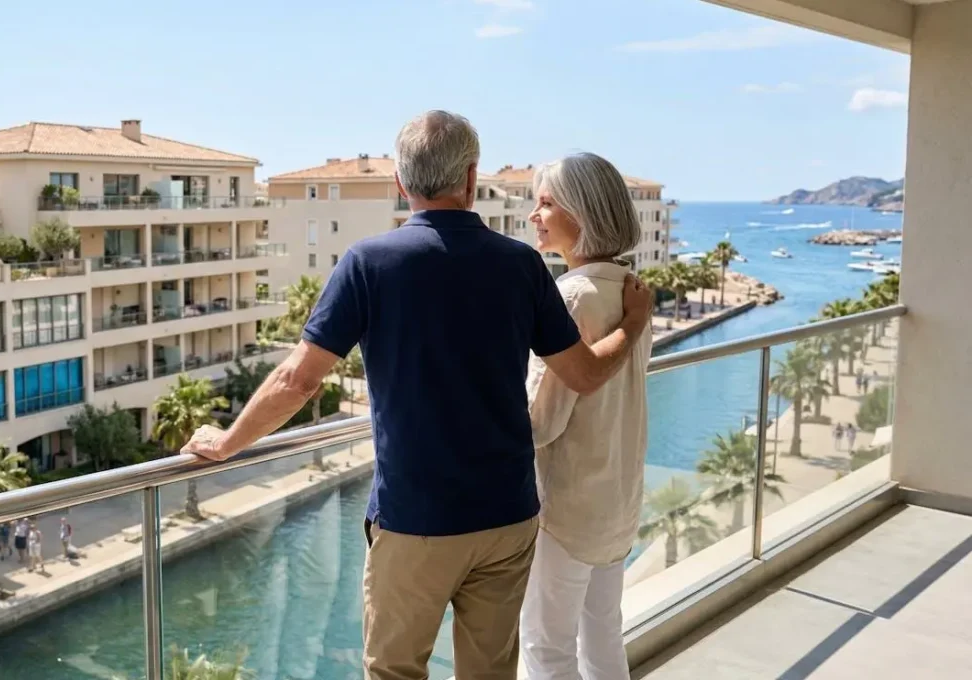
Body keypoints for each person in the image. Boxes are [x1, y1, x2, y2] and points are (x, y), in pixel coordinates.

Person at [180, 110, 651, 680]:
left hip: (416, 519)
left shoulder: (368, 263)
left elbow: (298, 381)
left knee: (396, 671)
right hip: (508, 517)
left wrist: (229, 442)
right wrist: (633, 321)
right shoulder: (522, 264)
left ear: (401, 184)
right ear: (472, 177)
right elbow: (583, 374)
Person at [517, 153, 652, 680]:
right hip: (615, 499)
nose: (535, 215)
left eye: (546, 203)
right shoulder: (629, 291)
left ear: (584, 213)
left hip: (568, 506)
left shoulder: (571, 297)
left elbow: (541, 422)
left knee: (546, 649)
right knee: (602, 636)